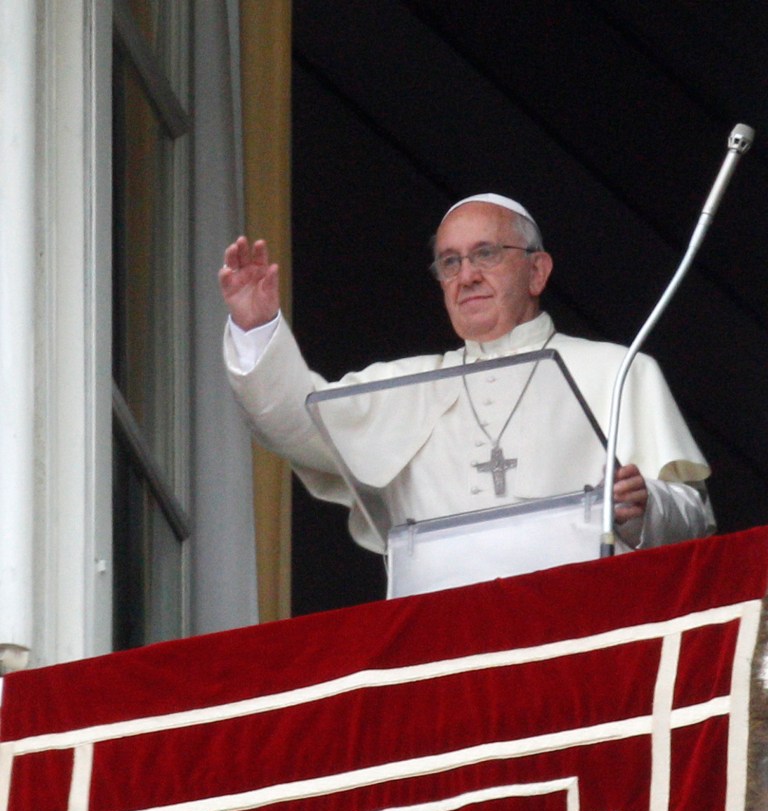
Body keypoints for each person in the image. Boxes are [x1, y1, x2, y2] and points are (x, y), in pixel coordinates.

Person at [219, 193, 713, 564]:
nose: (467, 275)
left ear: (537, 272)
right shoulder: (403, 388)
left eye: (487, 254)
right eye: (450, 262)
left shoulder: (618, 371)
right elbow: (294, 425)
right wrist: (256, 326)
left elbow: (694, 523)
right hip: (443, 650)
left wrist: (646, 508)